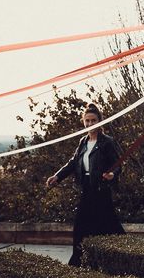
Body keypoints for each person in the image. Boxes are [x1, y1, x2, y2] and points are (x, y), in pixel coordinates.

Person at [46, 103, 125, 266]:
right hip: (87, 190)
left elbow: (118, 164)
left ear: (100, 121)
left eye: (93, 120)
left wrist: (112, 174)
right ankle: (77, 262)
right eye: (87, 121)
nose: (90, 124)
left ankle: (123, 259)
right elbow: (73, 163)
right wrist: (57, 176)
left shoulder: (107, 142)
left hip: (101, 190)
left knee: (109, 227)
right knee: (81, 228)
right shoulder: (83, 142)